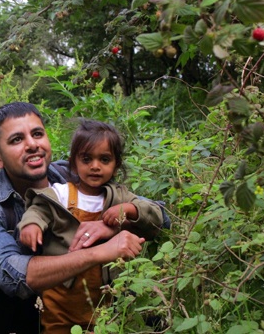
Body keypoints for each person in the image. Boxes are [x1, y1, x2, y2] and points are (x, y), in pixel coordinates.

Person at [0, 102, 149, 334]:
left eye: (37, 134)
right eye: (16, 140)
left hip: (96, 297)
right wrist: (98, 252)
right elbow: (8, 274)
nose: (32, 145)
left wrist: (110, 226)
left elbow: (158, 214)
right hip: (28, 309)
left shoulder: (79, 173)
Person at [18, 119, 163, 333]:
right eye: (87, 159)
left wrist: (128, 210)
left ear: (116, 166)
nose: (95, 166)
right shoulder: (61, 193)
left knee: (110, 326)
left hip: (107, 296)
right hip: (61, 298)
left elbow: (155, 214)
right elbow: (38, 209)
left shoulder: (120, 195)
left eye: (104, 159)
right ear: (74, 163)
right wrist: (31, 225)